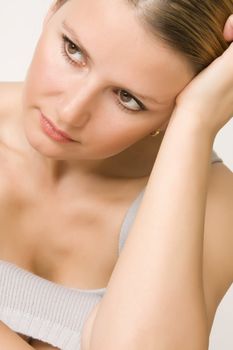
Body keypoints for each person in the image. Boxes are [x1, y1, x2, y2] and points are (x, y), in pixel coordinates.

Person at [0, 0, 233, 349]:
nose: (70, 112)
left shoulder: (215, 206)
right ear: (53, 8)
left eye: (127, 98)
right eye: (73, 50)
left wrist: (196, 122)